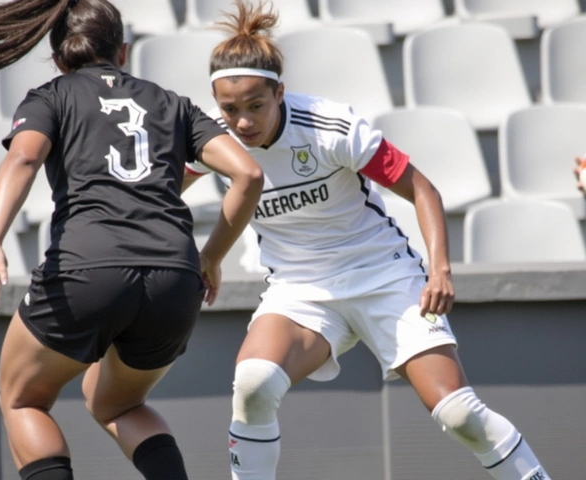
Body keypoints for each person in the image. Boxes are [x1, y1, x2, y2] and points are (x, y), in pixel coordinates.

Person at [182, 2, 552, 479]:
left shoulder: (329, 126)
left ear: (280, 92)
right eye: (231, 110)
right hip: (299, 289)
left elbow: (422, 189)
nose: (244, 123)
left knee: (460, 415)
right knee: (253, 385)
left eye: (256, 106)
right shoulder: (213, 137)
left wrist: (439, 269)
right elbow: (161, 189)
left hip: (384, 276)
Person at [0, 1, 264, 479]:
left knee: (21, 399)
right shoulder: (171, 102)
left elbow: (24, 160)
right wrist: (211, 258)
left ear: (59, 58)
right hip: (174, 281)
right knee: (116, 405)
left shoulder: (50, 96)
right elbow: (249, 173)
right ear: (123, 52)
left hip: (87, 270)